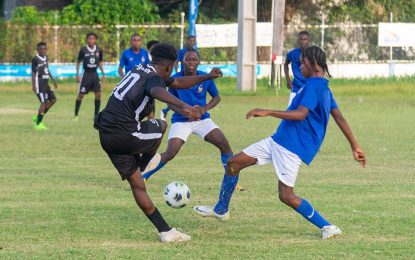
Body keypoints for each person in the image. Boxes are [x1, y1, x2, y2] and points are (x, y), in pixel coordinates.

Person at [193, 46, 366, 240]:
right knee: (233, 163)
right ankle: (221, 209)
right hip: (278, 140)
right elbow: (340, 118)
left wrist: (267, 111)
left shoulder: (314, 86)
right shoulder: (322, 86)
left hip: (291, 148)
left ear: (313, 64)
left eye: (302, 62)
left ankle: (327, 226)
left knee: (286, 195)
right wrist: (355, 146)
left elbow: (301, 114)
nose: (299, 65)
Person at [94, 43, 223, 243]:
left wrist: (207, 77)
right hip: (124, 133)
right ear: (170, 66)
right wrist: (184, 107)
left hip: (106, 136)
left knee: (137, 184)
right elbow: (156, 90)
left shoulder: (141, 69)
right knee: (161, 125)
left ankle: (166, 232)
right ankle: (148, 162)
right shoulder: (155, 79)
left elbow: (178, 83)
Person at [142, 49, 245, 191]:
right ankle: (144, 176)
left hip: (202, 120)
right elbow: (169, 102)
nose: (191, 62)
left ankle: (231, 181)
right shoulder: (174, 78)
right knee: (171, 152)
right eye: (188, 59)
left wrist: (203, 109)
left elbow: (217, 97)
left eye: (194, 59)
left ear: (199, 62)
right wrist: (184, 111)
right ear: (181, 61)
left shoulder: (205, 77)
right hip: (181, 121)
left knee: (224, 145)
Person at [161, 35, 197, 120]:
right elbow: (176, 62)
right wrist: (177, 72)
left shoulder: (195, 51)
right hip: (182, 78)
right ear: (186, 41)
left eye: (193, 41)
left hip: (192, 77)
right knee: (179, 97)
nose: (191, 42)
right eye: (190, 41)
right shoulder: (182, 51)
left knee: (185, 97)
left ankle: (165, 111)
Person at [74, 32, 105, 121]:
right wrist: (77, 74)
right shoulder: (83, 50)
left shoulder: (99, 50)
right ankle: (76, 115)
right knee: (81, 95)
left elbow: (100, 62)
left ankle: (96, 116)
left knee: (98, 95)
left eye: (93, 39)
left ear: (95, 40)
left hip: (95, 74)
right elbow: (78, 62)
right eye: (89, 38)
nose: (91, 40)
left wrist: (103, 74)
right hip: (86, 74)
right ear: (87, 40)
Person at [31, 42, 58, 130]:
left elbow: (47, 69)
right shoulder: (35, 59)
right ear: (38, 50)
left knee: (53, 99)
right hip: (39, 84)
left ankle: (38, 117)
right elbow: (33, 73)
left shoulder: (46, 58)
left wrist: (53, 80)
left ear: (46, 50)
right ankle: (38, 124)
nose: (43, 50)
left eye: (44, 49)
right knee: (43, 103)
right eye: (41, 49)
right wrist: (34, 85)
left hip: (46, 84)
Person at [284, 31, 310, 106]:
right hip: (296, 87)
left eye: (305, 39)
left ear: (309, 40)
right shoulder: (292, 53)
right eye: (301, 39)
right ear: (298, 40)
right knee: (290, 112)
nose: (303, 41)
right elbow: (286, 64)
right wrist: (288, 80)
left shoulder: (313, 53)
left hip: (309, 88)